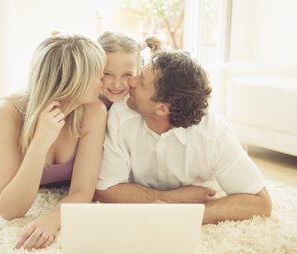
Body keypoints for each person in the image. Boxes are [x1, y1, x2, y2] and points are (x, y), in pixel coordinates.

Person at [94, 50, 272, 224]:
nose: (130, 81)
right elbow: (106, 190)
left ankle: (240, 149)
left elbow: (261, 202)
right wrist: (174, 199)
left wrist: (188, 215)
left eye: (141, 82)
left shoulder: (213, 133)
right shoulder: (121, 112)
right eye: (139, 74)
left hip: (217, 144)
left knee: (234, 151)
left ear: (162, 109)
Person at [0, 35, 107, 250]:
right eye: (97, 72)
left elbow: (82, 190)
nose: (104, 79)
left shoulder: (94, 111)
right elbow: (9, 210)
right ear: (73, 79)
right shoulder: (8, 112)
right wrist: (39, 144)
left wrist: (53, 219)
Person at [98, 31, 161, 109]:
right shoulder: (87, 104)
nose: (117, 85)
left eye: (126, 75)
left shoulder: (140, 107)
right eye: (108, 74)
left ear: (138, 72)